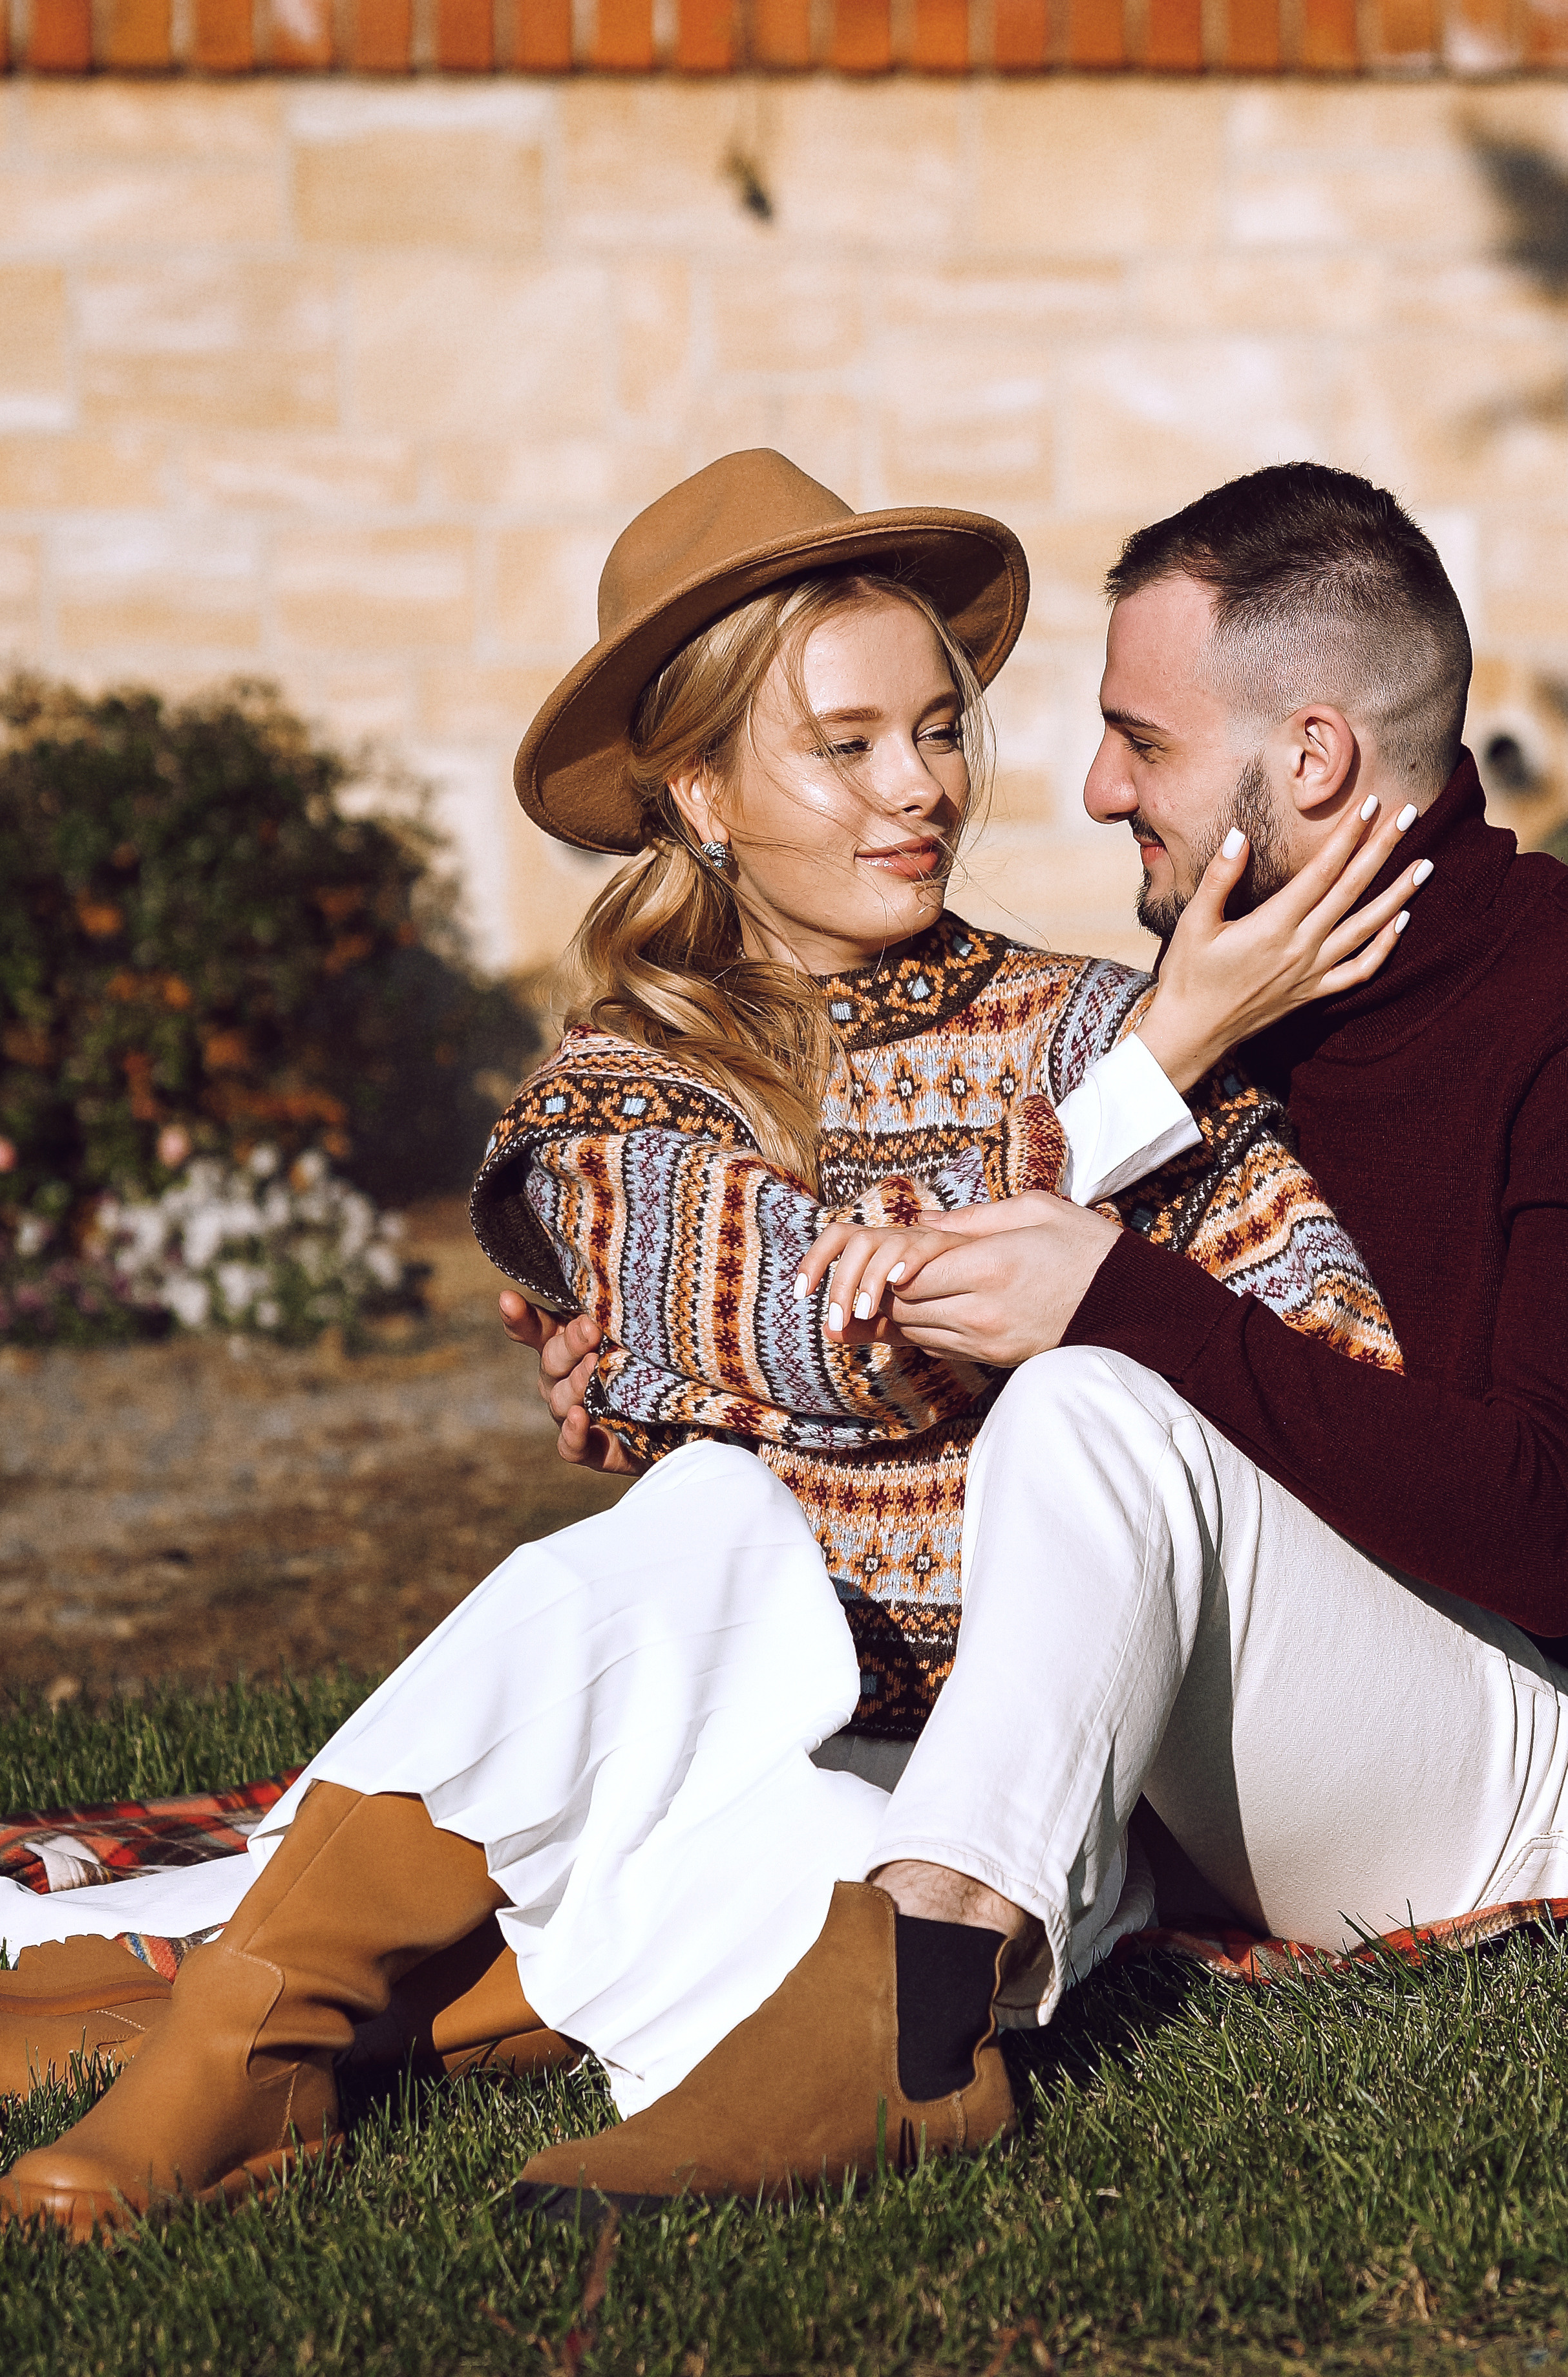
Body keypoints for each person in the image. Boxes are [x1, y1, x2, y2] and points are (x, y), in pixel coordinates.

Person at [0, 453, 1423, 2238]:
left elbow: (1332, 1354)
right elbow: (813, 1324)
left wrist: (1091, 1176)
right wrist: (1118, 1134)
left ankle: (254, 2025)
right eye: (845, 745)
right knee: (702, 1537)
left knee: (789, 1847)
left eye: (940, 728)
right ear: (701, 794)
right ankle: (241, 2039)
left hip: (1006, 1779)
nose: (921, 791)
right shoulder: (618, 1092)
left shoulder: (1097, 1020)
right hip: (747, 1704)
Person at [502, 459, 1568, 2213]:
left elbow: (1543, 1520)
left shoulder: (1545, 1000)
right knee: (718, 1763)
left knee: (1090, 1396)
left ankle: (919, 2022)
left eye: (1135, 741)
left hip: (1511, 1755)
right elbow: (883, 1254)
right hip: (1248, 1745)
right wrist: (629, 1339)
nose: (1083, 790)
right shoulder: (1202, 1021)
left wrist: (1123, 1298)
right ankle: (293, 2011)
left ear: (1304, 760)